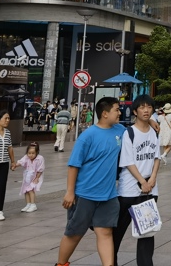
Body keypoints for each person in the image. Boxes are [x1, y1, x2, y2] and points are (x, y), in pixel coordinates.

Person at [55, 96, 125, 266]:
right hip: (84, 194)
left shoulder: (120, 130)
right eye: (116, 109)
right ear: (105, 113)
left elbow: (137, 130)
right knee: (74, 233)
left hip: (108, 195)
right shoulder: (88, 136)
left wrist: (151, 122)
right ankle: (61, 264)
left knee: (105, 232)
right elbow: (74, 165)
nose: (119, 113)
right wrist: (70, 192)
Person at [114, 94, 161, 266]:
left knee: (147, 232)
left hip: (150, 190)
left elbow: (156, 157)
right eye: (142, 107)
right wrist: (142, 181)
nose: (146, 110)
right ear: (135, 111)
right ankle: (111, 261)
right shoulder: (129, 133)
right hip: (129, 190)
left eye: (149, 107)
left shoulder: (154, 132)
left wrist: (152, 178)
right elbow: (128, 161)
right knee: (117, 232)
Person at [17, 142, 44, 213]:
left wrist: (37, 178)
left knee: (31, 190)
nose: (31, 155)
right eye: (29, 153)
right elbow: (21, 162)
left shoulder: (40, 158)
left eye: (33, 153)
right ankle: (28, 204)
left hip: (34, 177)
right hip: (27, 177)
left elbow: (41, 169)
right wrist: (15, 165)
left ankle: (33, 204)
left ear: (37, 153)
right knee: (26, 190)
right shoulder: (26, 157)